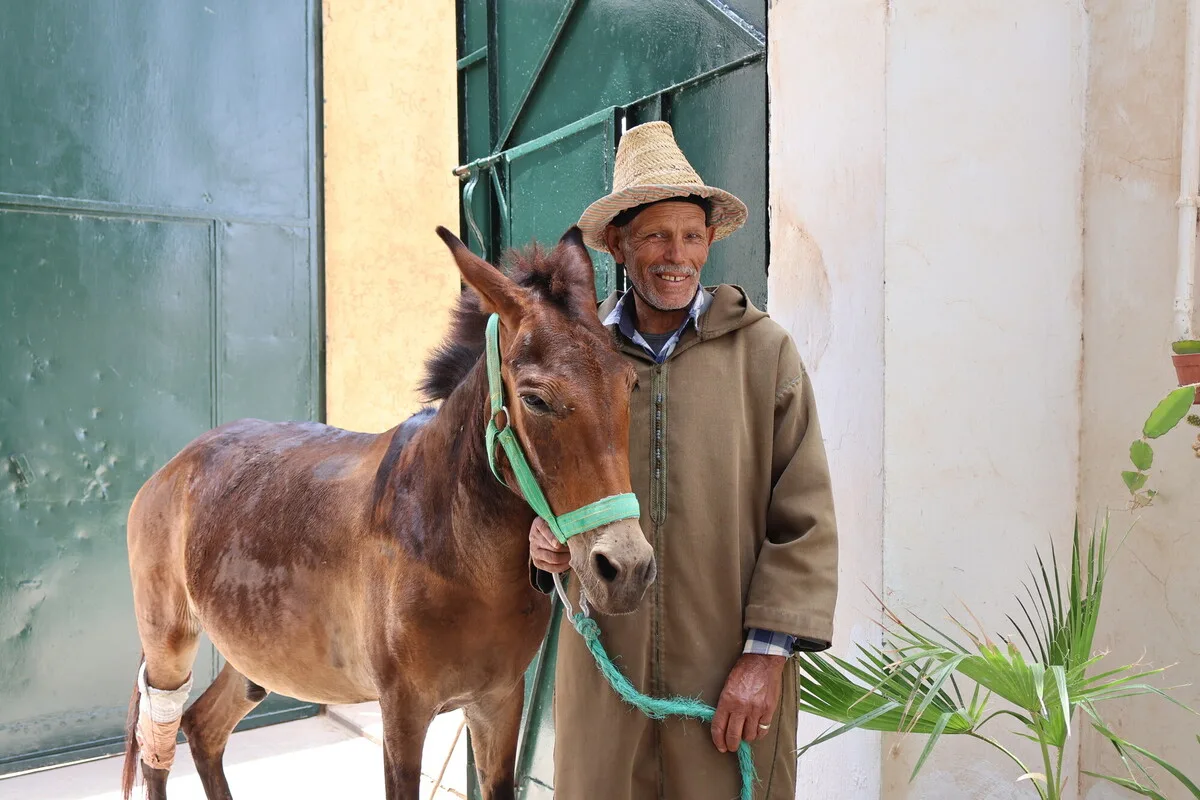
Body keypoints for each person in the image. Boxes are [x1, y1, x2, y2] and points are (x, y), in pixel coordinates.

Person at [527, 120, 840, 800]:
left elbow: (805, 520)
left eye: (692, 236)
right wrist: (544, 537)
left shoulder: (764, 355)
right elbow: (548, 482)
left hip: (725, 677)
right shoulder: (578, 358)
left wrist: (765, 659)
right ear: (619, 244)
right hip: (607, 673)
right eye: (656, 237)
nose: (677, 256)